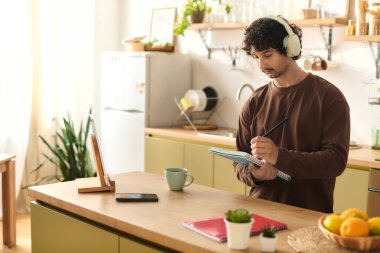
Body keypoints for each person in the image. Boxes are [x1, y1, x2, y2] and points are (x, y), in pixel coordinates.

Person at [234, 15, 350, 213]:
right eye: (256, 57)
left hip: (309, 216)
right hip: (259, 212)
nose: (261, 65)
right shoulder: (254, 101)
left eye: (268, 55)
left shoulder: (329, 97)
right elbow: (240, 161)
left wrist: (279, 156)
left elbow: (335, 162)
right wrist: (255, 175)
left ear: (290, 48)